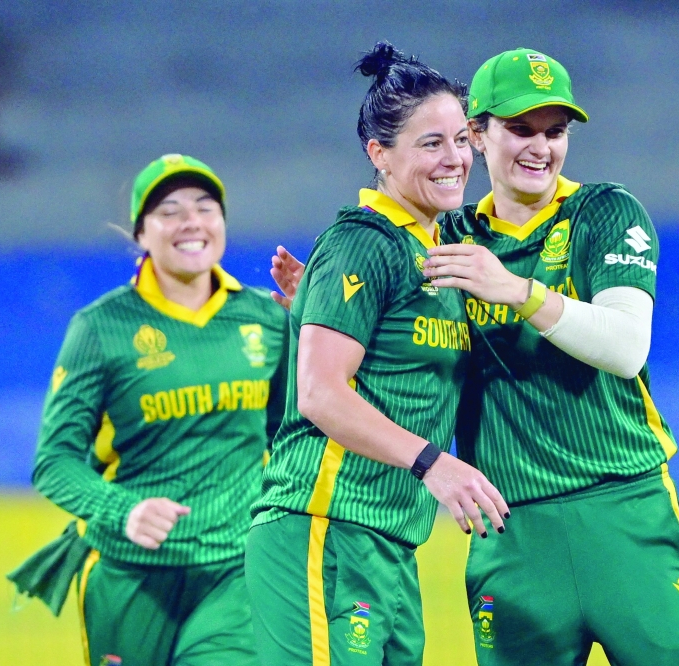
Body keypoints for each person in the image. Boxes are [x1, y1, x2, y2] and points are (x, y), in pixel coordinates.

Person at [271, 49, 679, 665]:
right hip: (506, 530)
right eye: (519, 129)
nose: (541, 148)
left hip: (622, 512)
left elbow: (624, 346)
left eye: (555, 132)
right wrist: (325, 310)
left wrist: (518, 290)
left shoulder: (604, 213)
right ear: (478, 137)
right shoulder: (445, 240)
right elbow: (394, 354)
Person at [246, 42, 509, 666]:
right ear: (379, 154)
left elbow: (384, 361)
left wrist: (319, 309)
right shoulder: (364, 243)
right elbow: (319, 393)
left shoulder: (434, 249)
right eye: (430, 144)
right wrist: (433, 465)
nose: (456, 160)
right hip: (323, 525)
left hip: (389, 539)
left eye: (461, 139)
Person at [8, 154, 287, 666]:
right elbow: (54, 462)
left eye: (206, 207)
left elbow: (289, 435)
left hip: (234, 569)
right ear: (140, 233)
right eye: (169, 211)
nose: (191, 223)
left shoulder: (266, 319)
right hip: (128, 572)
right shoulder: (100, 328)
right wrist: (125, 511)